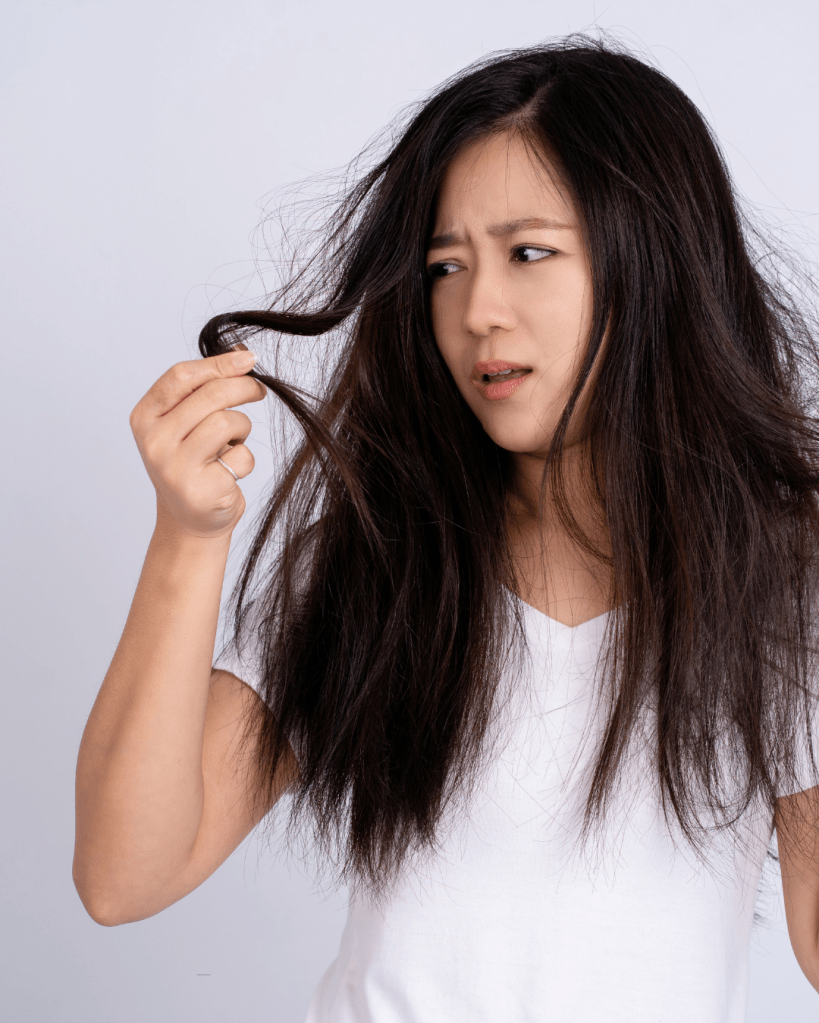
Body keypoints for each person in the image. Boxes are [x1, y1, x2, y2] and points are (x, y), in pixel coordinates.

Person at [73, 34, 819, 1021]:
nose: (477, 310)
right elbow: (123, 875)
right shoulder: (374, 561)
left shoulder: (782, 584)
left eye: (529, 252)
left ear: (657, 263)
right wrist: (188, 535)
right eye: (444, 266)